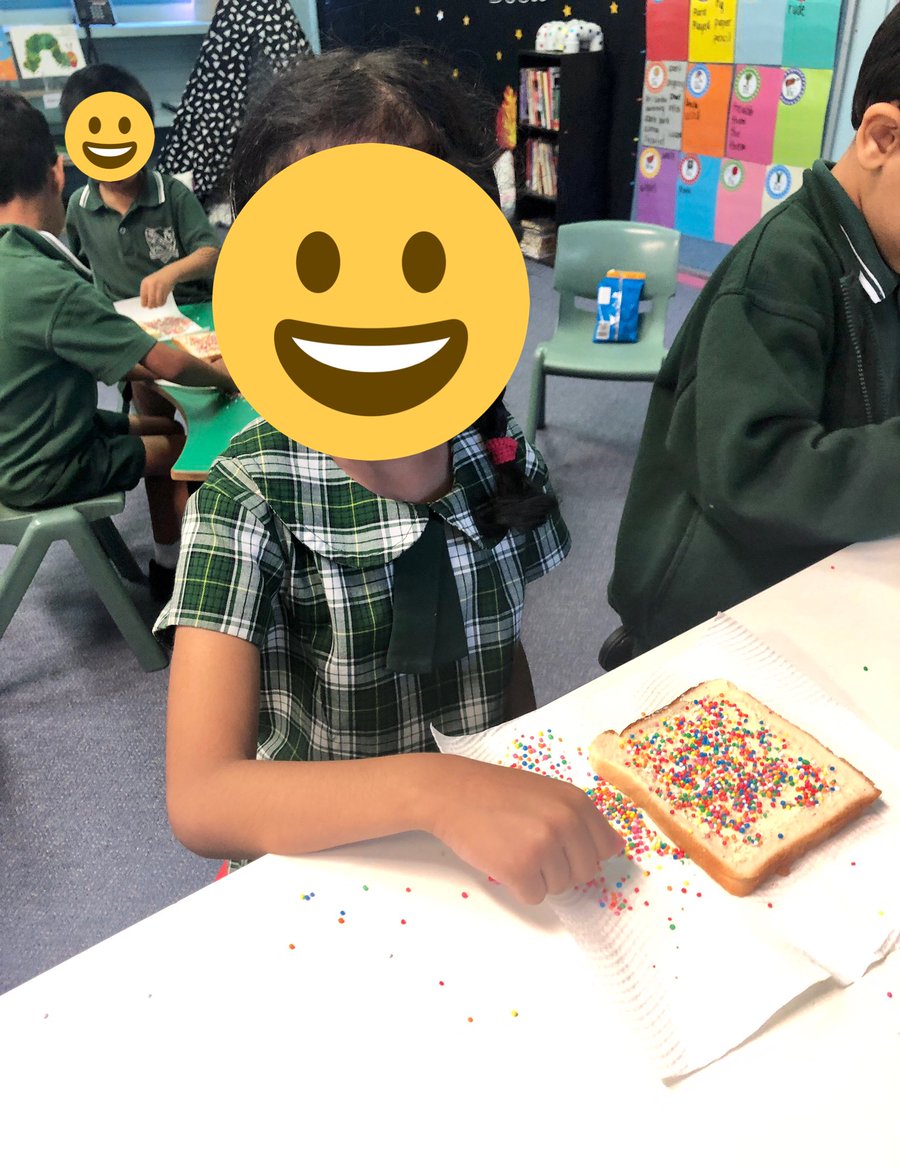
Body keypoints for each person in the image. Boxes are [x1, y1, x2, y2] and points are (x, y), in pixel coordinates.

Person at [157, 49, 621, 905]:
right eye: (325, 261)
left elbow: (498, 642)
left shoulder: (494, 448)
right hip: (319, 872)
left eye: (414, 258)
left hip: (468, 866)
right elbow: (202, 797)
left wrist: (510, 768)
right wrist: (434, 788)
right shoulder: (247, 496)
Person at [603, 7, 900, 662]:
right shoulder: (782, 270)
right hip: (708, 624)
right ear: (882, 138)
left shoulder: (887, 252)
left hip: (821, 586)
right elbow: (753, 474)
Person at [0, 89, 237, 599]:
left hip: (21, 440)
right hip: (43, 464)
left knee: (158, 421)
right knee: (179, 447)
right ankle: (182, 582)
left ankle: (166, 556)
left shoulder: (16, 263)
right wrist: (225, 377)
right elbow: (164, 362)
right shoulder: (49, 282)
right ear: (58, 171)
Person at [60, 64, 219, 308]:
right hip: (122, 322)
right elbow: (81, 270)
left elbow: (210, 252)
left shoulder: (172, 194)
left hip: (189, 308)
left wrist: (171, 273)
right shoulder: (79, 207)